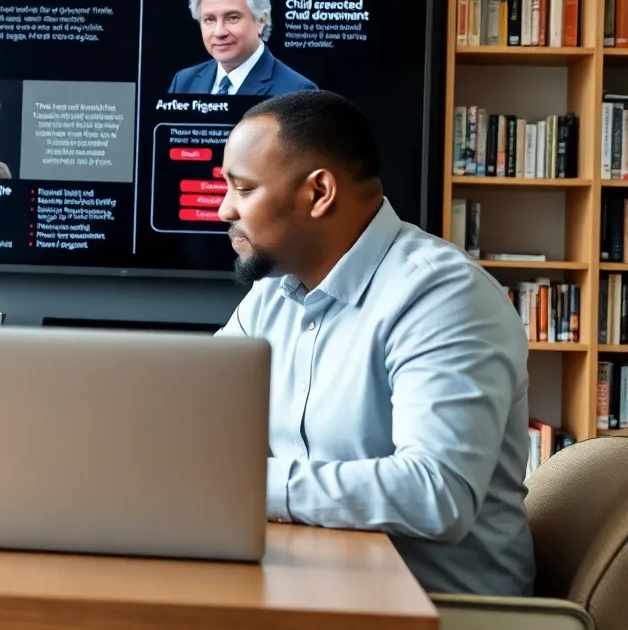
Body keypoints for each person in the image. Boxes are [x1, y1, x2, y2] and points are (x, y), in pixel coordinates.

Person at [213, 89, 535, 596]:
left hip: (443, 611)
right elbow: (196, 420)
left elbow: (436, 495)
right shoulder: (270, 297)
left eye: (243, 188)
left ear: (320, 192)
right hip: (314, 583)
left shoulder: (443, 296)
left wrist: (246, 487)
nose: (223, 210)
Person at [167, 0, 317, 97]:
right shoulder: (183, 82)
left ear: (260, 21)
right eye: (209, 19)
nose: (219, 32)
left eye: (232, 18)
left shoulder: (299, 93)